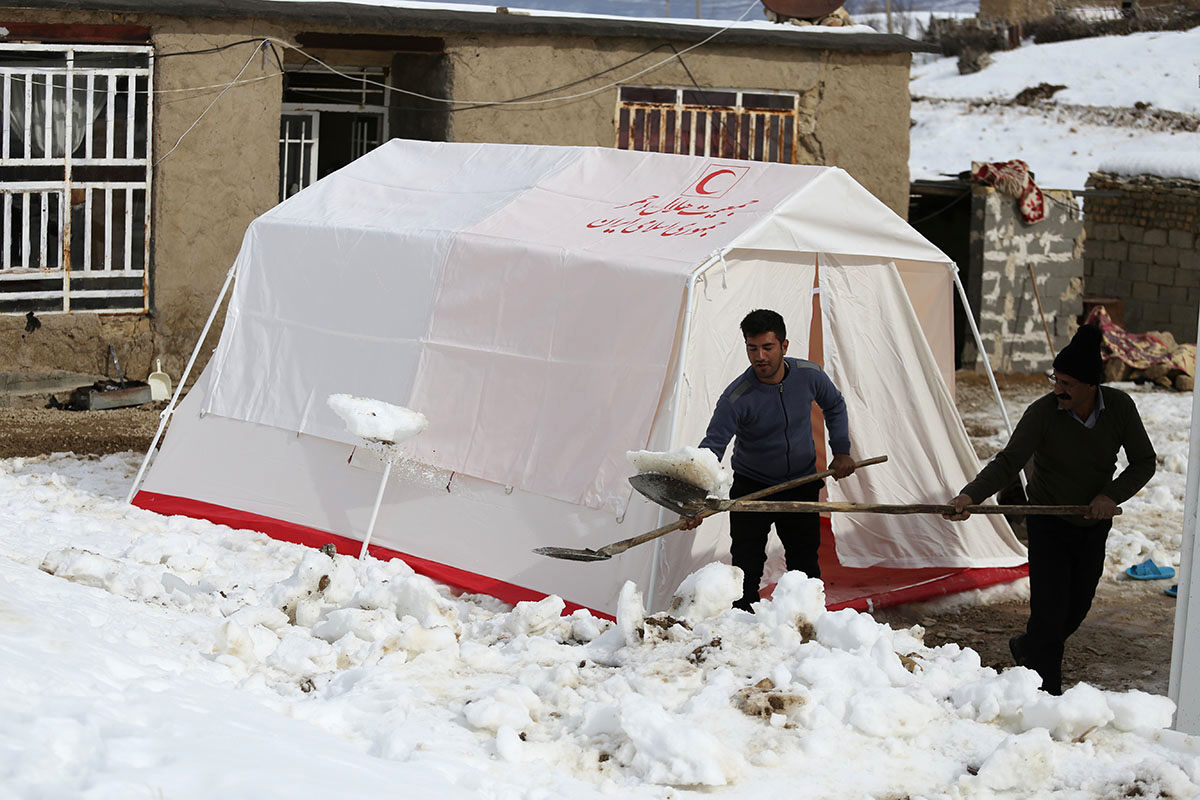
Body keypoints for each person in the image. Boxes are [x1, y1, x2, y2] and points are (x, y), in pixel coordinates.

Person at [944, 323, 1156, 695]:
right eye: (1055, 380)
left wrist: (1110, 496)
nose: (1058, 390)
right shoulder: (1042, 413)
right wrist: (970, 496)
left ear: (1092, 386)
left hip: (1092, 525)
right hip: (1048, 523)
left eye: (1067, 384)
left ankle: (1027, 648)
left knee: (1076, 609)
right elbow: (1008, 462)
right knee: (1049, 613)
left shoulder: (1120, 408)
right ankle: (1047, 695)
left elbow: (1143, 462)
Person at [684, 308, 855, 611]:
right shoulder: (737, 397)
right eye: (753, 348)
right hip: (753, 489)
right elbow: (711, 449)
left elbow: (835, 404)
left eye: (768, 347)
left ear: (784, 346)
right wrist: (694, 499)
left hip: (802, 484)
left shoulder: (808, 375)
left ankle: (806, 622)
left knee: (805, 564)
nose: (760, 356)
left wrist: (841, 450)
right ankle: (745, 631)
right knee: (746, 568)